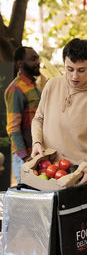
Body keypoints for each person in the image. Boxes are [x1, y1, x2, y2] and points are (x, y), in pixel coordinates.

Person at [31, 38, 87, 184]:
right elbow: (38, 119)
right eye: (69, 69)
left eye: (81, 70)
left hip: (79, 175)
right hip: (47, 171)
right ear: (64, 63)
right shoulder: (51, 85)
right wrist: (36, 142)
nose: (74, 76)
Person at [4, 46, 41, 183]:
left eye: (37, 58)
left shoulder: (34, 87)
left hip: (36, 156)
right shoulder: (15, 89)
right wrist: (25, 158)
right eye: (33, 59)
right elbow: (13, 128)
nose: (37, 62)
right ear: (20, 64)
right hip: (25, 159)